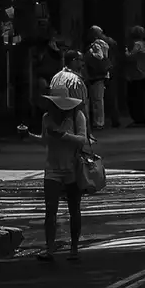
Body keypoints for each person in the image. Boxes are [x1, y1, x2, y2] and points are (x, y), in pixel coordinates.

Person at [39, 90, 90, 261]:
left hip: (72, 168)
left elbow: (82, 140)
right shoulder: (46, 117)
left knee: (74, 209)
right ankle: (49, 248)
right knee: (50, 210)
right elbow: (44, 141)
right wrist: (28, 136)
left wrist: (63, 136)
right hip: (52, 168)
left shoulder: (77, 116)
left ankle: (74, 247)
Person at [122, 26, 145, 127]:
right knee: (140, 98)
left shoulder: (137, 45)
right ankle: (140, 119)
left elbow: (130, 56)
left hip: (136, 75)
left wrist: (126, 51)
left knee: (134, 99)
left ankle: (138, 119)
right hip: (144, 74)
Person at [84, 27, 113, 132]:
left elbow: (99, 56)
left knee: (97, 100)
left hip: (96, 75)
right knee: (98, 99)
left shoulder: (96, 45)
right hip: (102, 74)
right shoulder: (104, 43)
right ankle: (99, 121)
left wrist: (89, 54)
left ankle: (98, 122)